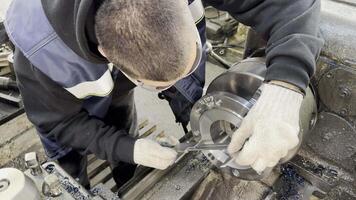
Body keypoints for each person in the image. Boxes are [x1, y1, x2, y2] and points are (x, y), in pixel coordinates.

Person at [4, 0, 322, 189]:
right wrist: (131, 148)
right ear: (107, 55)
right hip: (62, 104)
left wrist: (286, 87)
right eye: (157, 86)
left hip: (116, 77)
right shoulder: (40, 53)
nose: (173, 85)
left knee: (121, 119)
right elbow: (61, 124)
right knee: (67, 169)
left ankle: (127, 177)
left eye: (193, 60)